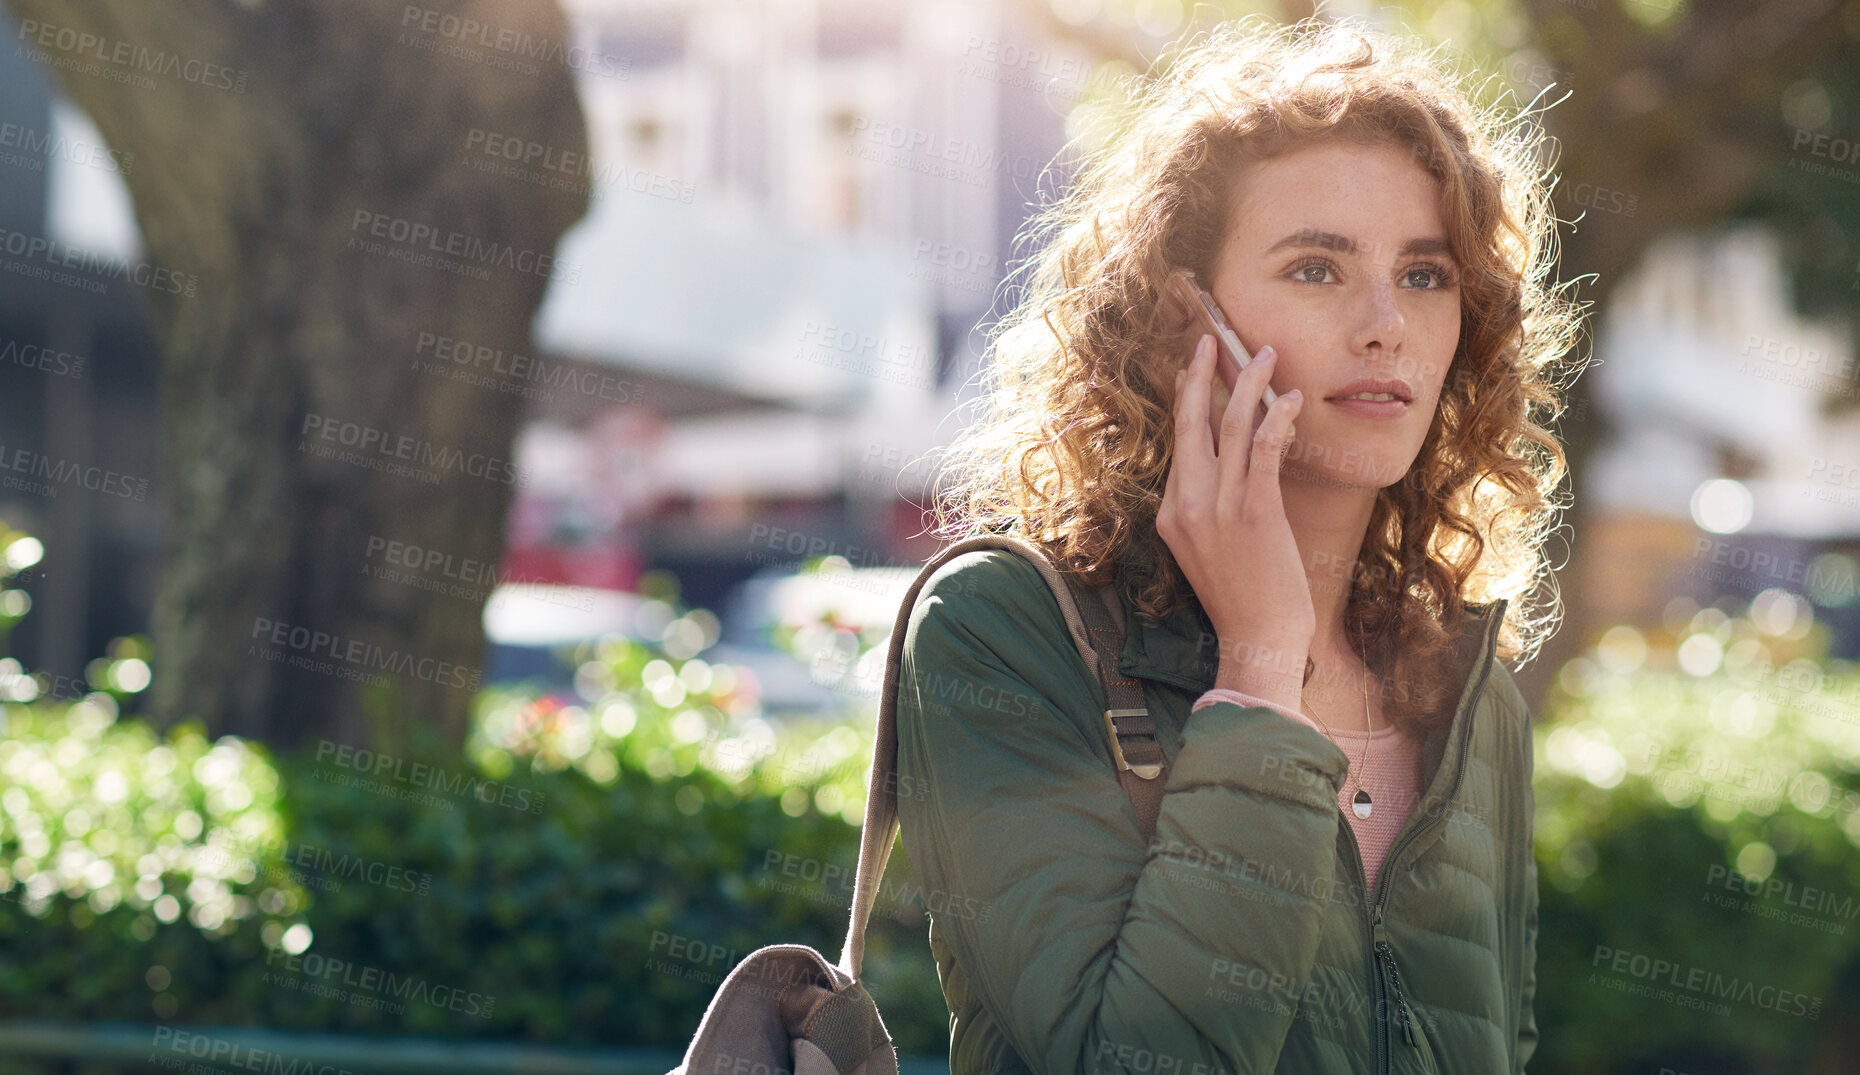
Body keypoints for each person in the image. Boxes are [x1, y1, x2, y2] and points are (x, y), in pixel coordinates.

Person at [894, 15, 1585, 1075]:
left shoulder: (1462, 687)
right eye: (1317, 269)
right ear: (1185, 321)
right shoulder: (1001, 628)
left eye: (1427, 274)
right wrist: (1261, 664)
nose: (1384, 324)